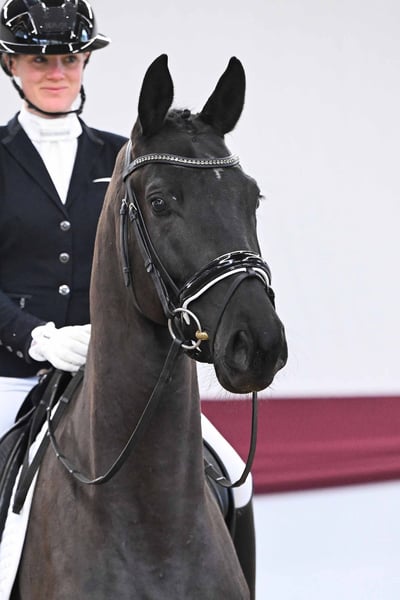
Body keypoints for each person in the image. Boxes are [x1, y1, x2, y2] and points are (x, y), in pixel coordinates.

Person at [0, 0, 127, 435]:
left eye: (69, 59)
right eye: (40, 60)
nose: (57, 73)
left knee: (227, 468)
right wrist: (38, 338)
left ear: (85, 60)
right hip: (12, 375)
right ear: (11, 64)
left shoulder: (124, 156)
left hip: (112, 370)